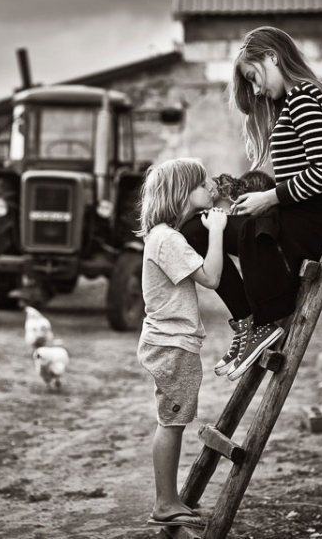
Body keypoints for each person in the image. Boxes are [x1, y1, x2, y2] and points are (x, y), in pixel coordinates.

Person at [180, 26, 322, 381]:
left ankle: (259, 322)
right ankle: (247, 325)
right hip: (292, 218)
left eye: (254, 78)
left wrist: (269, 198)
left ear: (272, 56)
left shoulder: (303, 97)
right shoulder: (296, 101)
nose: (256, 90)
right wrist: (261, 199)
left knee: (203, 228)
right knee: (198, 229)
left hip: (305, 227)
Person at [136, 157, 227, 530]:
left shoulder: (164, 236)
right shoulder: (167, 239)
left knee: (174, 420)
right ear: (183, 192)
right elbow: (212, 277)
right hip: (172, 344)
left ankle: (169, 499)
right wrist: (218, 229)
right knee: (171, 422)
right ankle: (164, 503)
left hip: (174, 342)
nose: (211, 189)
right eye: (204, 184)